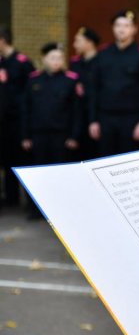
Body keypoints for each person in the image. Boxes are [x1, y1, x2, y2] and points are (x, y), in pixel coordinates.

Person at [21, 43, 82, 220]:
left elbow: (77, 111)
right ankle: (35, 209)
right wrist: (25, 135)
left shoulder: (71, 80)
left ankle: (59, 211)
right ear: (44, 59)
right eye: (52, 58)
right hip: (38, 135)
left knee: (59, 176)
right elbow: (26, 109)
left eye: (59, 58)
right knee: (38, 175)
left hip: (61, 136)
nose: (56, 62)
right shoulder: (33, 80)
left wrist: (74, 136)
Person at [88, 10, 139, 157]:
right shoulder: (103, 54)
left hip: (131, 118)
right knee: (105, 160)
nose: (121, 29)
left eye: (126, 25)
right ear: (113, 28)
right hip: (105, 117)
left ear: (134, 29)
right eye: (118, 25)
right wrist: (93, 120)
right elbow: (94, 89)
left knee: (128, 161)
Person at [0, 25, 35, 207]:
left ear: (2, 40)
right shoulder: (2, 62)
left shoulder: (22, 63)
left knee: (20, 159)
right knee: (5, 158)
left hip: (18, 120)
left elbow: (29, 92)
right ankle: (10, 197)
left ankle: (29, 201)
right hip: (2, 121)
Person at [70, 26, 100, 160]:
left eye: (78, 41)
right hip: (78, 113)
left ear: (89, 42)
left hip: (97, 113)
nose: (74, 44)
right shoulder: (75, 63)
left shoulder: (101, 61)